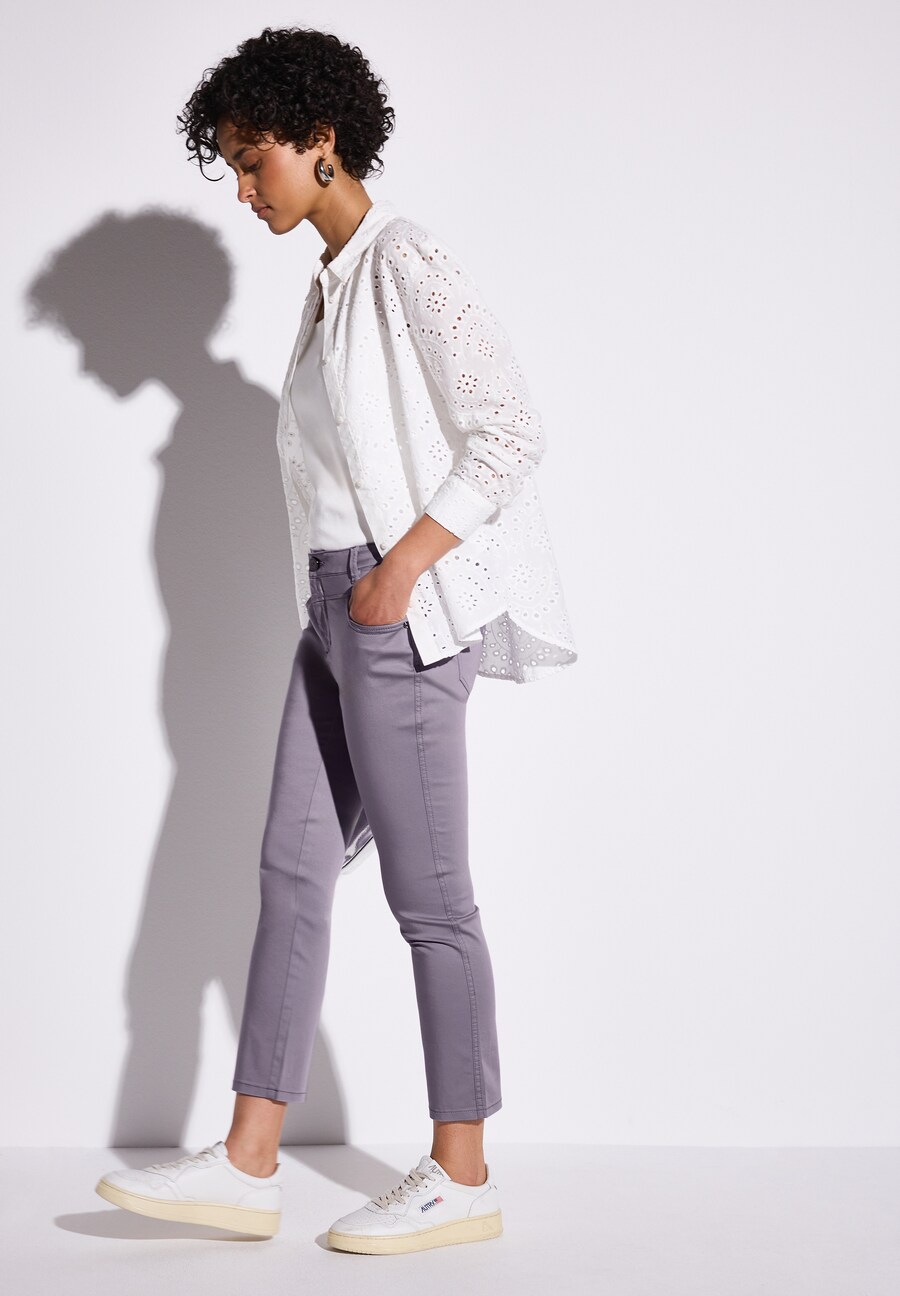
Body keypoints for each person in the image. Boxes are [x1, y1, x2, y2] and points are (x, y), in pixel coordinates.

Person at [95, 25, 577, 1255]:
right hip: (329, 611)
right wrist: (337, 600)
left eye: (252, 160)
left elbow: (509, 430)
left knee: (432, 901)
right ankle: (250, 1161)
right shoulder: (332, 283)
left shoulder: (404, 259)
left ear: (322, 142)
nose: (243, 189)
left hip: (392, 609)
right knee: (290, 871)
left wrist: (401, 570)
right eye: (229, 166)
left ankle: (462, 1172)